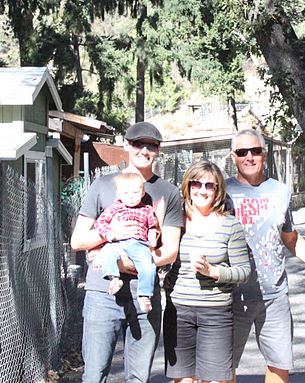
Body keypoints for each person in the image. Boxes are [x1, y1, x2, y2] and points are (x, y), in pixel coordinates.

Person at [226, 129, 305, 383]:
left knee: (279, 364)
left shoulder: (280, 191)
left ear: (264, 153)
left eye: (255, 151)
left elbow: (290, 237)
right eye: (242, 152)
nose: (249, 157)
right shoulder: (220, 191)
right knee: (223, 366)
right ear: (233, 157)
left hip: (274, 295)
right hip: (230, 296)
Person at [71, 121, 182, 383]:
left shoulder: (168, 192)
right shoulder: (102, 185)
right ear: (126, 145)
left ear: (158, 150)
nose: (144, 150)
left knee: (138, 376)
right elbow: (77, 240)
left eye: (151, 146)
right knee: (95, 374)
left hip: (144, 294)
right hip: (102, 293)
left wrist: (130, 263)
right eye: (138, 144)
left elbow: (170, 251)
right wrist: (109, 235)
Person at [164, 160, 251, 383]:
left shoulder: (230, 225)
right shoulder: (175, 221)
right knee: (184, 379)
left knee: (215, 380)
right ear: (187, 186)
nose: (202, 191)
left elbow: (243, 271)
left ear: (218, 190)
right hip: (179, 310)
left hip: (215, 312)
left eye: (209, 186)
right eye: (196, 184)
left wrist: (213, 271)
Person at [93, 172, 160, 312]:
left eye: (135, 192)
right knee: (106, 252)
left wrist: (153, 237)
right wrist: (109, 233)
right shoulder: (115, 209)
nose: (130, 196)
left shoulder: (147, 210)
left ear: (142, 193)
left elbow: (153, 227)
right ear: (118, 195)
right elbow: (100, 223)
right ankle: (114, 279)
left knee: (148, 266)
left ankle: (144, 295)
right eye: (126, 193)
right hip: (116, 242)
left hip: (139, 244)